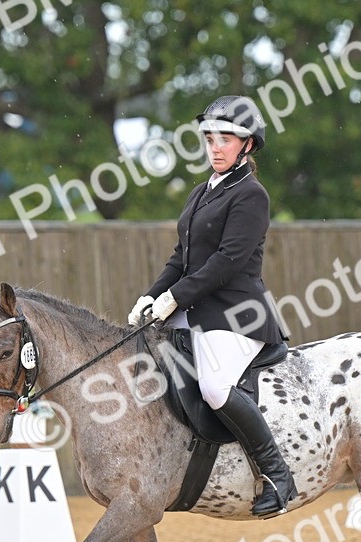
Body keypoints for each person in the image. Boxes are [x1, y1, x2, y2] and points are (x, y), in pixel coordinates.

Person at [128, 95, 298, 518]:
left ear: (247, 145)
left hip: (237, 315)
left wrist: (175, 298)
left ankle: (277, 474)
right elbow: (181, 257)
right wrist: (152, 295)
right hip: (195, 310)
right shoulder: (201, 192)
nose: (216, 148)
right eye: (210, 139)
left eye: (226, 139)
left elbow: (227, 262)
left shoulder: (251, 195)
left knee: (215, 387)